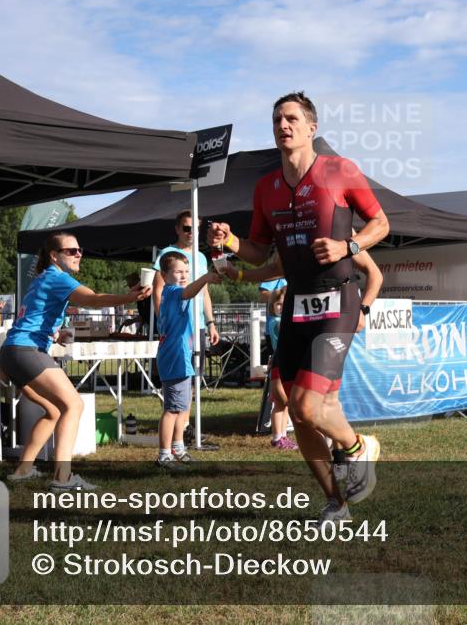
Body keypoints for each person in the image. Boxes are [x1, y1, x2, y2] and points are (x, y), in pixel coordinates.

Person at [208, 91, 390, 524]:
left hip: (337, 298)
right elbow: (259, 251)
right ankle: (336, 503)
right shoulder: (265, 187)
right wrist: (230, 241)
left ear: (312, 127)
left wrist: (348, 246)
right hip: (296, 304)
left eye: (291, 118)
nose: (282, 126)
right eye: (276, 120)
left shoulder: (340, 170)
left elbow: (381, 223)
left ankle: (359, 448)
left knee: (308, 406)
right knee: (295, 409)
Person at [0, 233, 151, 492]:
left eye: (80, 250)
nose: (78, 254)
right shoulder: (57, 277)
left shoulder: (42, 279)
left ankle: (23, 470)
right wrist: (129, 298)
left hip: (12, 352)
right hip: (26, 350)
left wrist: (55, 333)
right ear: (54, 256)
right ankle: (63, 478)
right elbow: (93, 299)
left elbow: (33, 316)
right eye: (71, 251)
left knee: (54, 411)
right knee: (74, 405)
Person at [228, 242, 383, 452]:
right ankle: (341, 458)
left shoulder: (340, 232)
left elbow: (375, 271)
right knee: (304, 410)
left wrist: (362, 309)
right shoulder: (288, 235)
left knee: (315, 405)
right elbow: (273, 268)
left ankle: (355, 448)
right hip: (298, 330)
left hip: (331, 326)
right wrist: (237, 272)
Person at [155, 251, 222, 468]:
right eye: (178, 272)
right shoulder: (173, 291)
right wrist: (205, 278)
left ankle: (178, 447)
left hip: (180, 356)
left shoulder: (172, 292)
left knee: (182, 407)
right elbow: (188, 292)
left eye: (186, 271)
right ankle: (164, 454)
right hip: (175, 357)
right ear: (164, 275)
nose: (184, 275)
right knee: (172, 409)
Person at [152, 210, 219, 349]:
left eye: (195, 228)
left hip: (198, 325)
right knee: (178, 362)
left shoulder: (201, 257)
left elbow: (204, 293)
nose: (191, 232)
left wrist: (210, 324)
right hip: (175, 325)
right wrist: (163, 323)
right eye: (187, 228)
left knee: (196, 363)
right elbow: (157, 291)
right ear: (177, 229)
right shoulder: (167, 253)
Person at [120, 272, 153, 336]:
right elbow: (144, 315)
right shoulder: (140, 295)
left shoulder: (145, 294)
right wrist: (139, 327)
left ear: (136, 283)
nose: (130, 288)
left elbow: (146, 314)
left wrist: (132, 321)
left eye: (130, 285)